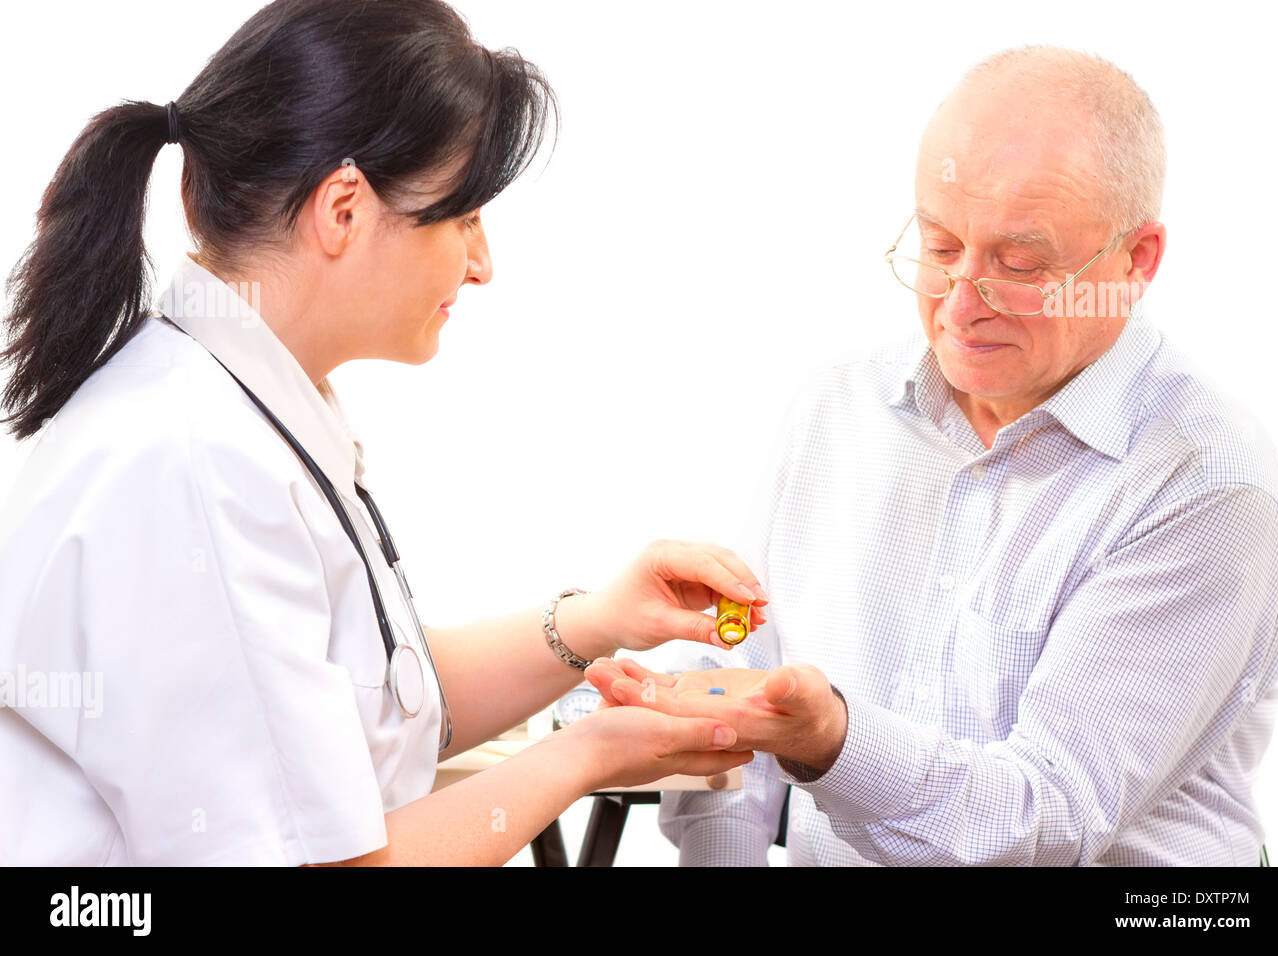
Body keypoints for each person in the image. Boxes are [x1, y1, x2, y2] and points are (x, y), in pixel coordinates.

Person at [0, 0, 764, 866]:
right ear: (343, 209)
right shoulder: (197, 466)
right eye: (465, 216)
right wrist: (592, 753)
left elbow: (380, 702)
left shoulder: (243, 407)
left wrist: (598, 621)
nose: (483, 266)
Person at [586, 45, 1278, 866]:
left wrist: (837, 740)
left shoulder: (1207, 486)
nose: (962, 305)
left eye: (1020, 264)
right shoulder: (835, 410)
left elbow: (1044, 817)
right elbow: (734, 656)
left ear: (1135, 262)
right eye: (941, 245)